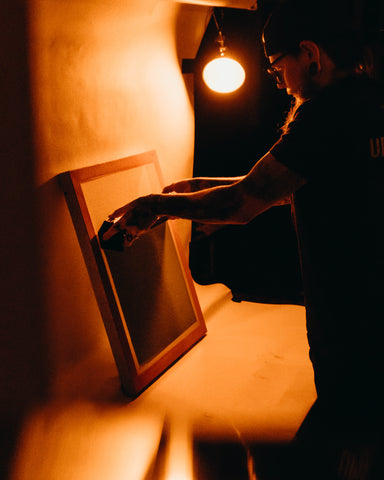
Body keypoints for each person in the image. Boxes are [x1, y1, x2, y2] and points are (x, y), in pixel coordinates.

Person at [104, 1, 383, 477]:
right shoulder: (370, 99)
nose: (281, 82)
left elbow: (246, 203)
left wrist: (155, 206)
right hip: (370, 309)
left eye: (279, 70)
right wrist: (203, 187)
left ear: (310, 53)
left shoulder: (323, 114)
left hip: (350, 321)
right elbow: (294, 179)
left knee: (350, 446)